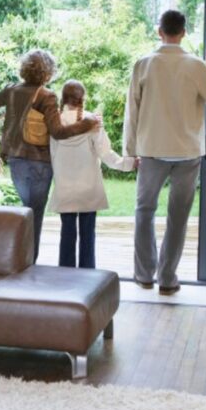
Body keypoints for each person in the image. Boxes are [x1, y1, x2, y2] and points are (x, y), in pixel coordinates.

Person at [124, 10, 206, 295]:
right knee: (177, 217)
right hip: (187, 152)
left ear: (160, 31)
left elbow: (132, 112)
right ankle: (167, 279)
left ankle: (144, 275)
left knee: (144, 211)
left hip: (152, 150)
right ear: (184, 32)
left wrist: (131, 151)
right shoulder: (197, 66)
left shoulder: (143, 64)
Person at [0, 50, 99, 261]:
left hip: (16, 160)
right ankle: (29, 262)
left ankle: (20, 258)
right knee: (34, 215)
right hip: (39, 163)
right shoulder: (46, 96)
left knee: (27, 212)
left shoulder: (11, 90)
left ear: (25, 68)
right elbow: (58, 132)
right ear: (48, 72)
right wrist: (86, 124)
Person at [48, 80, 137, 269]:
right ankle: (87, 275)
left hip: (65, 188)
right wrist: (128, 164)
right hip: (88, 187)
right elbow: (106, 154)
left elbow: (51, 154)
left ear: (63, 98)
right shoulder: (92, 122)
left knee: (67, 233)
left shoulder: (54, 123)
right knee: (88, 235)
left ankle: (65, 274)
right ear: (83, 99)